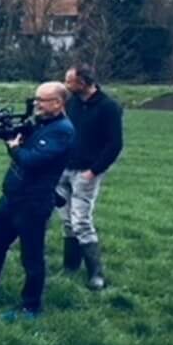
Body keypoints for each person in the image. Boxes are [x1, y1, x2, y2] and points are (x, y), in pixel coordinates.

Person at [0, 81, 74, 321]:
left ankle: (31, 307)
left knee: (31, 256)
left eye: (41, 100)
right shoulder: (40, 123)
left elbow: (31, 160)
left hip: (33, 202)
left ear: (58, 103)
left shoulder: (62, 130)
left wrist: (13, 147)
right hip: (11, 197)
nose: (36, 104)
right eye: (36, 99)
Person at [59, 64, 124, 290]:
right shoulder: (71, 103)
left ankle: (96, 274)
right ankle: (70, 267)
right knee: (67, 221)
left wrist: (93, 171)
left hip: (86, 172)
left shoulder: (108, 107)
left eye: (70, 81)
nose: (66, 85)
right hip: (64, 169)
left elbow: (115, 144)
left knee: (81, 221)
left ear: (83, 82)